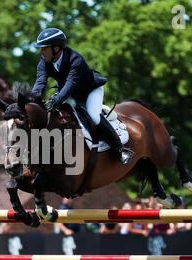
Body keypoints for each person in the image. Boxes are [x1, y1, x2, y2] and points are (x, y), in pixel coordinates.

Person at [31, 27, 134, 165]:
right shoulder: (44, 62)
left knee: (94, 116)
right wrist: (33, 100)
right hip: (70, 93)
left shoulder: (75, 59)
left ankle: (120, 150)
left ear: (56, 48)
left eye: (44, 48)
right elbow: (40, 82)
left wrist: (56, 100)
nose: (41, 51)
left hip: (90, 90)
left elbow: (70, 84)